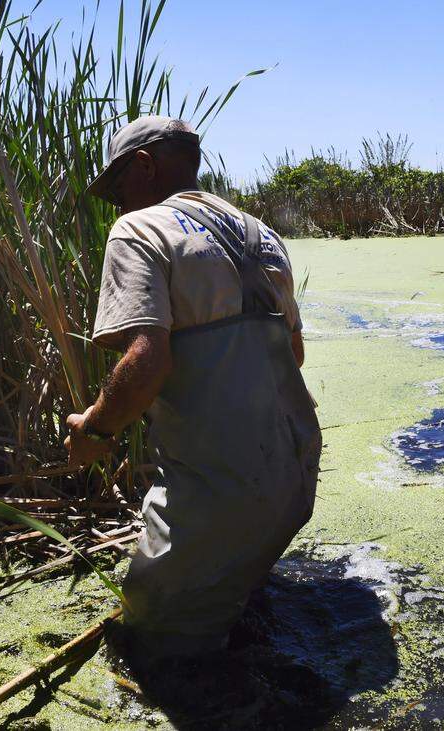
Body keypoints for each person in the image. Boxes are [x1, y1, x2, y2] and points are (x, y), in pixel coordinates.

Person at [63, 115, 321, 660]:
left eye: (117, 189)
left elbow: (147, 359)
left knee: (150, 638)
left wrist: (96, 430)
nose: (118, 205)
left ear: (144, 166)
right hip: (294, 477)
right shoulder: (261, 235)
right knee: (232, 593)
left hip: (221, 490)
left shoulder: (140, 231)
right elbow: (292, 356)